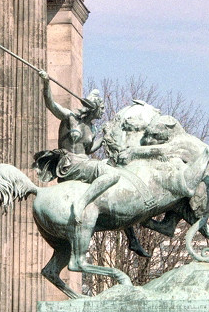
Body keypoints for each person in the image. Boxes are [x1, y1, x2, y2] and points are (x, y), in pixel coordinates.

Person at [33, 71, 150, 257]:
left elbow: (89, 149)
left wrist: (105, 137)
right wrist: (46, 83)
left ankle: (132, 239)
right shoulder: (71, 118)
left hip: (85, 162)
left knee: (118, 188)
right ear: (94, 108)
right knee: (113, 175)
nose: (101, 114)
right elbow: (51, 104)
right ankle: (82, 204)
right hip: (70, 163)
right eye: (100, 110)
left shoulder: (92, 127)